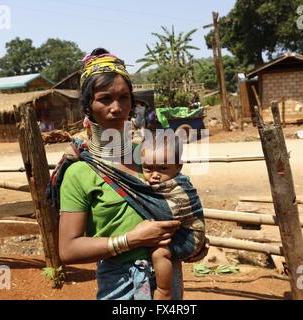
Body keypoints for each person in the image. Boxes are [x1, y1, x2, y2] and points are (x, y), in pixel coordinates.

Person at [52, 48, 209, 300]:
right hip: (121, 284)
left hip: (168, 277)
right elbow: (69, 250)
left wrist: (192, 241)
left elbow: (179, 200)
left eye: (124, 98)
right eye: (105, 99)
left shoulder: (150, 156)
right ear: (88, 107)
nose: (116, 108)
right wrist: (131, 240)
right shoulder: (79, 172)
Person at [140, 135, 205, 300]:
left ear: (178, 167)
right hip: (182, 232)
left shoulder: (179, 187)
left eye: (163, 169)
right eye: (148, 168)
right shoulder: (158, 183)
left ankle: (164, 290)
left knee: (159, 252)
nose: (155, 175)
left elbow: (169, 213)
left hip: (189, 237)